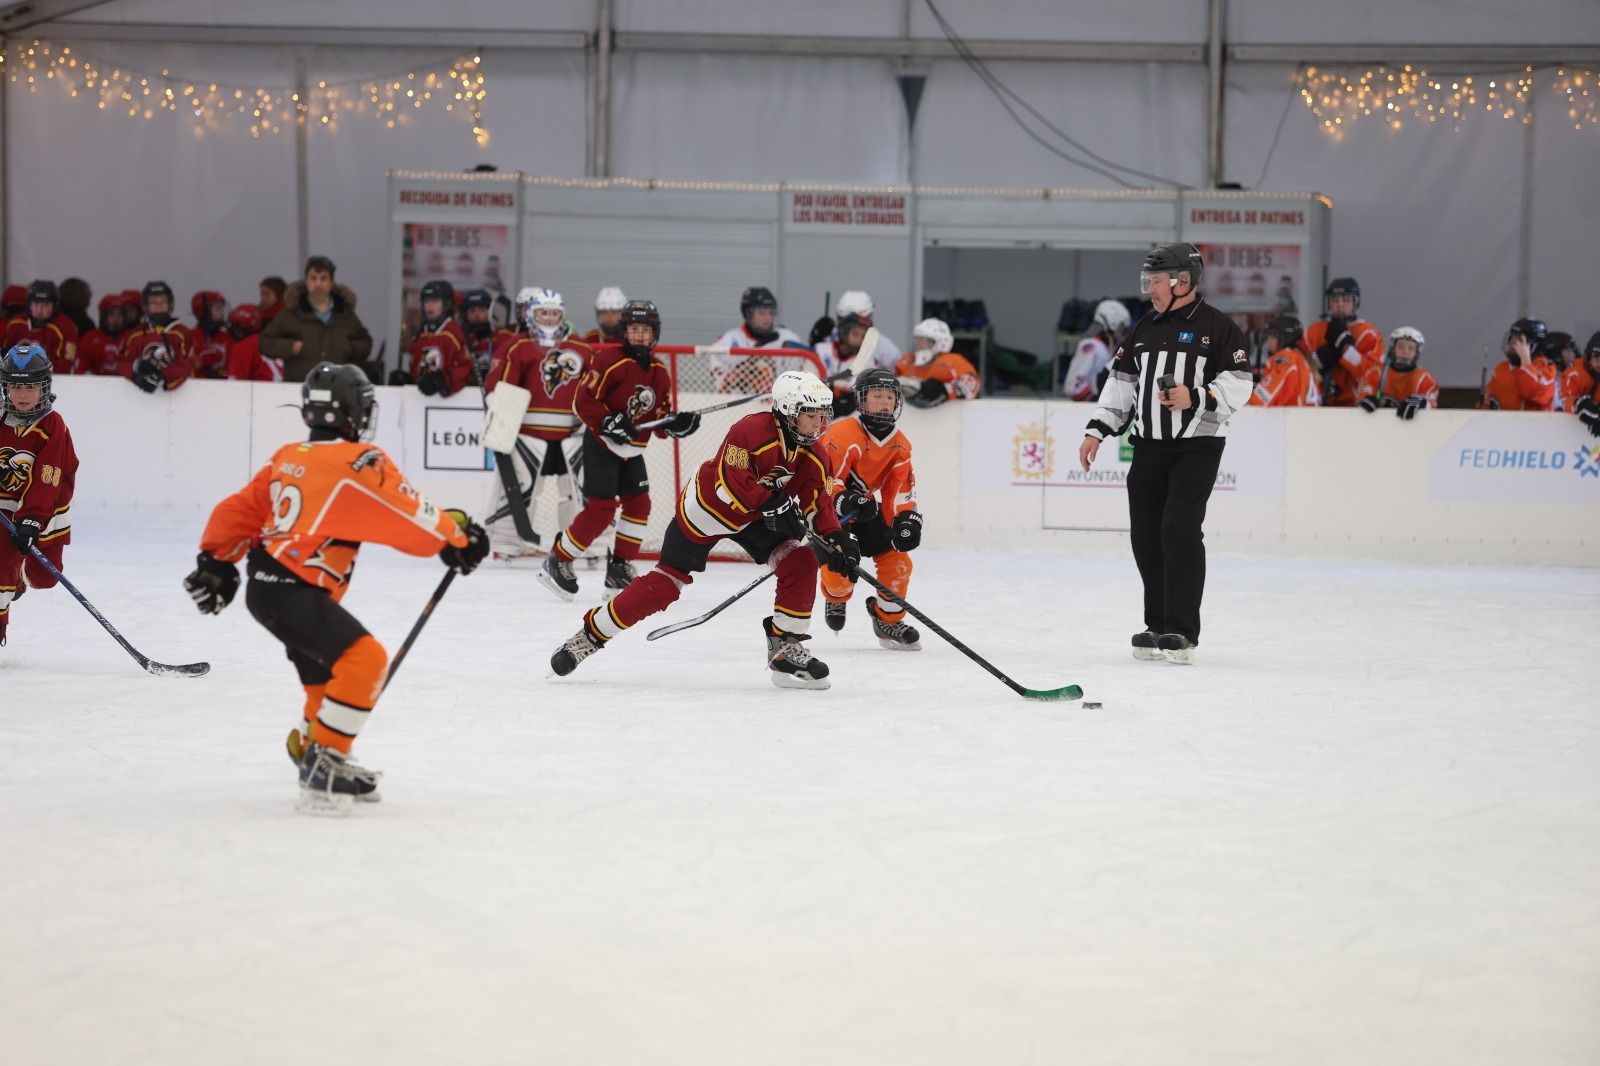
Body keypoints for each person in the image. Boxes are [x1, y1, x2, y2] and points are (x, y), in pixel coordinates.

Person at [183, 362, 488, 814]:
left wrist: (214, 561)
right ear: (352, 412)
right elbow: (407, 513)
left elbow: (241, 508)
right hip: (293, 588)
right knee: (365, 660)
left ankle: (313, 743)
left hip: (265, 585)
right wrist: (458, 538)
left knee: (323, 678)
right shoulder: (361, 459)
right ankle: (323, 762)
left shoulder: (290, 455)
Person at [549, 369, 858, 690]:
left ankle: (784, 649)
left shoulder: (816, 456)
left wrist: (836, 539)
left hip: (756, 517)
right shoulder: (750, 431)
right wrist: (774, 503)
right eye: (811, 415)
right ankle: (589, 635)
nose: (820, 424)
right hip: (708, 509)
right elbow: (733, 484)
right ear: (786, 410)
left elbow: (817, 504)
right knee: (664, 586)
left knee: (802, 561)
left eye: (823, 415)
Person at [1077, 242, 1251, 666]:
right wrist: (1097, 431)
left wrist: (1196, 396)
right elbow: (1119, 385)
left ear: (1183, 281)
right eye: (1150, 280)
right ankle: (1156, 624)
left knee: (1179, 528)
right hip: (1149, 446)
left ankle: (1182, 629)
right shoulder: (1144, 328)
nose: (1149, 288)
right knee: (1146, 535)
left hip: (1197, 446)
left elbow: (1241, 382)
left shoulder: (1218, 327)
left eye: (1156, 280)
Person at [538, 300, 700, 599]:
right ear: (624, 331)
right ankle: (558, 560)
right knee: (601, 510)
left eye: (645, 330)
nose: (639, 336)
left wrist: (676, 424)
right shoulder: (608, 360)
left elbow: (657, 419)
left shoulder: (660, 371)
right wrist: (607, 421)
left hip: (632, 451)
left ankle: (619, 569)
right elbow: (582, 401)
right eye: (634, 329)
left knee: (639, 505)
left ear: (655, 333)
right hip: (602, 445)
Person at [482, 289, 592, 558]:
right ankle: (509, 542)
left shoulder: (582, 350)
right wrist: (499, 412)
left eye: (554, 313)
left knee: (580, 489)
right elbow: (501, 387)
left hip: (572, 433)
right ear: (532, 315)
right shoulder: (518, 347)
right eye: (544, 313)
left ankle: (583, 544)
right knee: (521, 487)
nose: (550, 319)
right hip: (528, 433)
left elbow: (593, 391)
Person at [819, 368, 922, 649]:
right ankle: (835, 598)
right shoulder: (842, 431)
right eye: (878, 395)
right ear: (861, 401)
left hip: (864, 509)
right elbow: (823, 481)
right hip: (828, 512)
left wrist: (906, 520)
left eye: (890, 396)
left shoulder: (900, 444)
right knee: (841, 571)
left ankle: (886, 620)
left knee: (898, 562)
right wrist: (845, 499)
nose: (885, 402)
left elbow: (899, 491)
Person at [0, 342, 78, 648]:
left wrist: (32, 520)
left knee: (45, 577)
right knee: (2, 566)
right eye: (15, 387)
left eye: (30, 387)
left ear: (44, 387)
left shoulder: (52, 426)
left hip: (47, 509)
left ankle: (19, 576)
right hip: (5, 507)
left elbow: (49, 477)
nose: (21, 395)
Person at [259, 256, 373, 383]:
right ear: (306, 281)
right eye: (313, 278)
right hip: (299, 387)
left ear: (331, 282)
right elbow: (265, 342)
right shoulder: (290, 313)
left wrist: (348, 347)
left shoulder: (345, 314)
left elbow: (365, 343)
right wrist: (290, 347)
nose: (318, 284)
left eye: (323, 278)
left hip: (337, 387)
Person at [708, 286, 806, 393]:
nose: (768, 318)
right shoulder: (729, 341)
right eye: (761, 313)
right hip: (740, 407)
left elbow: (798, 383)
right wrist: (741, 373)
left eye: (771, 312)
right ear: (748, 314)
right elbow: (722, 385)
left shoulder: (788, 339)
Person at [1302, 277, 1382, 407]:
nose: (1340, 304)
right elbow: (1302, 366)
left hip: (1355, 408)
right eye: (1335, 299)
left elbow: (1373, 373)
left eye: (1346, 300)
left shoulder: (1368, 333)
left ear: (1355, 303)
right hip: (1318, 408)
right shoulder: (1312, 331)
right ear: (1329, 303)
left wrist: (1345, 350)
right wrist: (1318, 359)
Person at [397, 279, 472, 396]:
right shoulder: (420, 336)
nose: (429, 306)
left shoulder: (454, 333)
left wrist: (443, 380)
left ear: (446, 304)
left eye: (435, 301)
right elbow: (416, 369)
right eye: (427, 301)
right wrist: (408, 380)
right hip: (421, 403)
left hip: (450, 403)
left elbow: (465, 368)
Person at [122, 280, 196, 393]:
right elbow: (121, 362)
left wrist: (162, 376)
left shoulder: (181, 333)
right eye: (153, 302)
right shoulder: (134, 335)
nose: (159, 305)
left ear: (170, 304)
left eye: (163, 301)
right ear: (145, 306)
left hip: (179, 399)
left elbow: (187, 365)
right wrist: (137, 369)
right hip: (139, 401)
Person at [894, 317, 980, 407]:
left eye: (925, 340)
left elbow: (970, 389)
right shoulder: (907, 361)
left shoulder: (954, 362)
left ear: (940, 343)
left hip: (949, 417)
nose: (919, 344)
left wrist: (943, 390)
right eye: (917, 339)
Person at [1357, 326, 1439, 419]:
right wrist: (1367, 400)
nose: (1405, 351)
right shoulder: (1376, 372)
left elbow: (1432, 406)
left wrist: (1422, 403)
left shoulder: (1425, 378)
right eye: (1400, 347)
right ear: (1392, 349)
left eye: (1411, 348)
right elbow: (1362, 397)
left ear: (1417, 353)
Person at [812, 291, 902, 373]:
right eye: (846, 324)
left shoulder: (881, 346)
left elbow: (900, 369)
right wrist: (815, 339)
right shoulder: (828, 338)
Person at [1062, 299, 1132, 402]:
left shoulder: (1105, 348)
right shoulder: (1092, 346)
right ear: (1112, 325)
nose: (1122, 334)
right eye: (1122, 329)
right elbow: (1073, 388)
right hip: (1085, 410)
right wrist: (1097, 401)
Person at [4, 280, 79, 374]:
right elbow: (4, 356)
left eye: (46, 305)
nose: (40, 310)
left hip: (53, 381)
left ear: (54, 305)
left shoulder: (67, 327)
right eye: (36, 304)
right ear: (29, 304)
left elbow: (66, 365)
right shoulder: (15, 324)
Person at [1481, 317, 1555, 411]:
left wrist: (1525, 360)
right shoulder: (1501, 368)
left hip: (1535, 424)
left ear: (1533, 344)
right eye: (1512, 337)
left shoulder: (1545, 367)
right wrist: (1486, 405)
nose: (1512, 342)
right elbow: (1487, 399)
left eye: (1519, 339)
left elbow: (1530, 392)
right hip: (1506, 423)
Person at [1248, 315, 1320, 407]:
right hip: (1305, 417)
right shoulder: (1300, 357)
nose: (1268, 341)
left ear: (1286, 338)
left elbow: (1259, 400)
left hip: (1294, 418)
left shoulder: (1286, 358)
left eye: (1273, 336)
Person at [77, 292, 135, 377]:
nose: (116, 318)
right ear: (103, 315)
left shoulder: (131, 338)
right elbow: (79, 370)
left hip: (125, 388)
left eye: (120, 314)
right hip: (95, 387)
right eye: (111, 314)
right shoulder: (90, 339)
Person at [224, 304, 278, 381]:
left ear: (240, 330)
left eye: (235, 326)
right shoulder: (272, 340)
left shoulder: (243, 346)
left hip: (262, 391)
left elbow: (234, 385)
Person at [188, 290, 231, 379]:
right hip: (196, 388)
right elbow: (183, 367)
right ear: (204, 311)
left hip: (224, 388)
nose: (222, 313)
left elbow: (234, 367)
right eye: (218, 308)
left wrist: (223, 371)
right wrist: (199, 362)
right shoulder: (190, 337)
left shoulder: (227, 338)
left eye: (222, 308)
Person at [1565, 332, 1600, 437]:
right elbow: (1564, 401)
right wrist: (1577, 404)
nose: (1599, 363)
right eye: (1596, 356)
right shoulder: (1576, 371)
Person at [460, 287, 496, 378]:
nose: (477, 315)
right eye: (472, 311)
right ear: (465, 314)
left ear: (490, 312)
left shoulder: (498, 337)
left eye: (482, 310)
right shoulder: (460, 338)